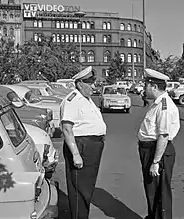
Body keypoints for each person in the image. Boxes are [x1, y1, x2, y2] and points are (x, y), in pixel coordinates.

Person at [60, 66, 106, 219]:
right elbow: (67, 129)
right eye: (90, 83)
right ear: (80, 83)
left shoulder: (87, 99)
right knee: (79, 189)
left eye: (94, 82)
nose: (94, 86)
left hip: (91, 146)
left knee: (87, 187)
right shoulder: (72, 100)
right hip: (81, 146)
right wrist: (75, 154)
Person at [137, 68, 180, 219]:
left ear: (154, 87)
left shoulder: (164, 106)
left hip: (157, 151)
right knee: (152, 189)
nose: (144, 88)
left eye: (146, 85)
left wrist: (156, 161)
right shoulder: (156, 103)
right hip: (151, 149)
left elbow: (163, 135)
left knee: (160, 192)